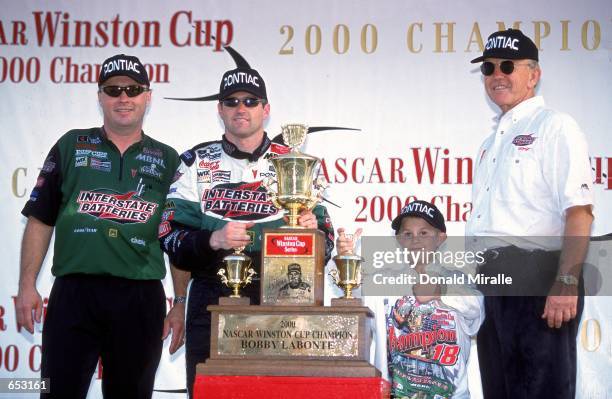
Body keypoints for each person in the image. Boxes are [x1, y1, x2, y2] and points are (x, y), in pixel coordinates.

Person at [159, 65, 335, 397]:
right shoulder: (196, 161)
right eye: (232, 101)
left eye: (251, 101)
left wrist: (315, 234)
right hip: (213, 294)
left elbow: (327, 244)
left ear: (266, 110)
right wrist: (213, 239)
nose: (241, 108)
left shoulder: (297, 162)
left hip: (283, 298)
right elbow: (170, 236)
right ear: (220, 109)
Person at [15, 54, 184, 398]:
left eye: (133, 89)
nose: (123, 98)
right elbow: (40, 219)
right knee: (57, 392)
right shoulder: (70, 145)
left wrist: (180, 301)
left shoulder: (168, 159)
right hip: (74, 294)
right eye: (113, 89)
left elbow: (176, 236)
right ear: (100, 96)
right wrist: (27, 284)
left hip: (140, 296)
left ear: (147, 96)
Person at [467, 28, 594, 399]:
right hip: (496, 287)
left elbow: (580, 211)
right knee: (501, 391)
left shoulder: (555, 126)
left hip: (541, 282)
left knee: (543, 391)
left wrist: (566, 282)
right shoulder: (491, 143)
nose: (497, 75)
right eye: (489, 68)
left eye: (508, 65)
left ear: (534, 74)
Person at [338, 200, 484, 399]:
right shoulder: (383, 282)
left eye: (424, 233)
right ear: (399, 239)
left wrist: (440, 290)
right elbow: (351, 296)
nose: (416, 240)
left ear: (441, 238)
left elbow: (477, 308)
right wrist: (346, 259)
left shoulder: (458, 280)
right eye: (408, 234)